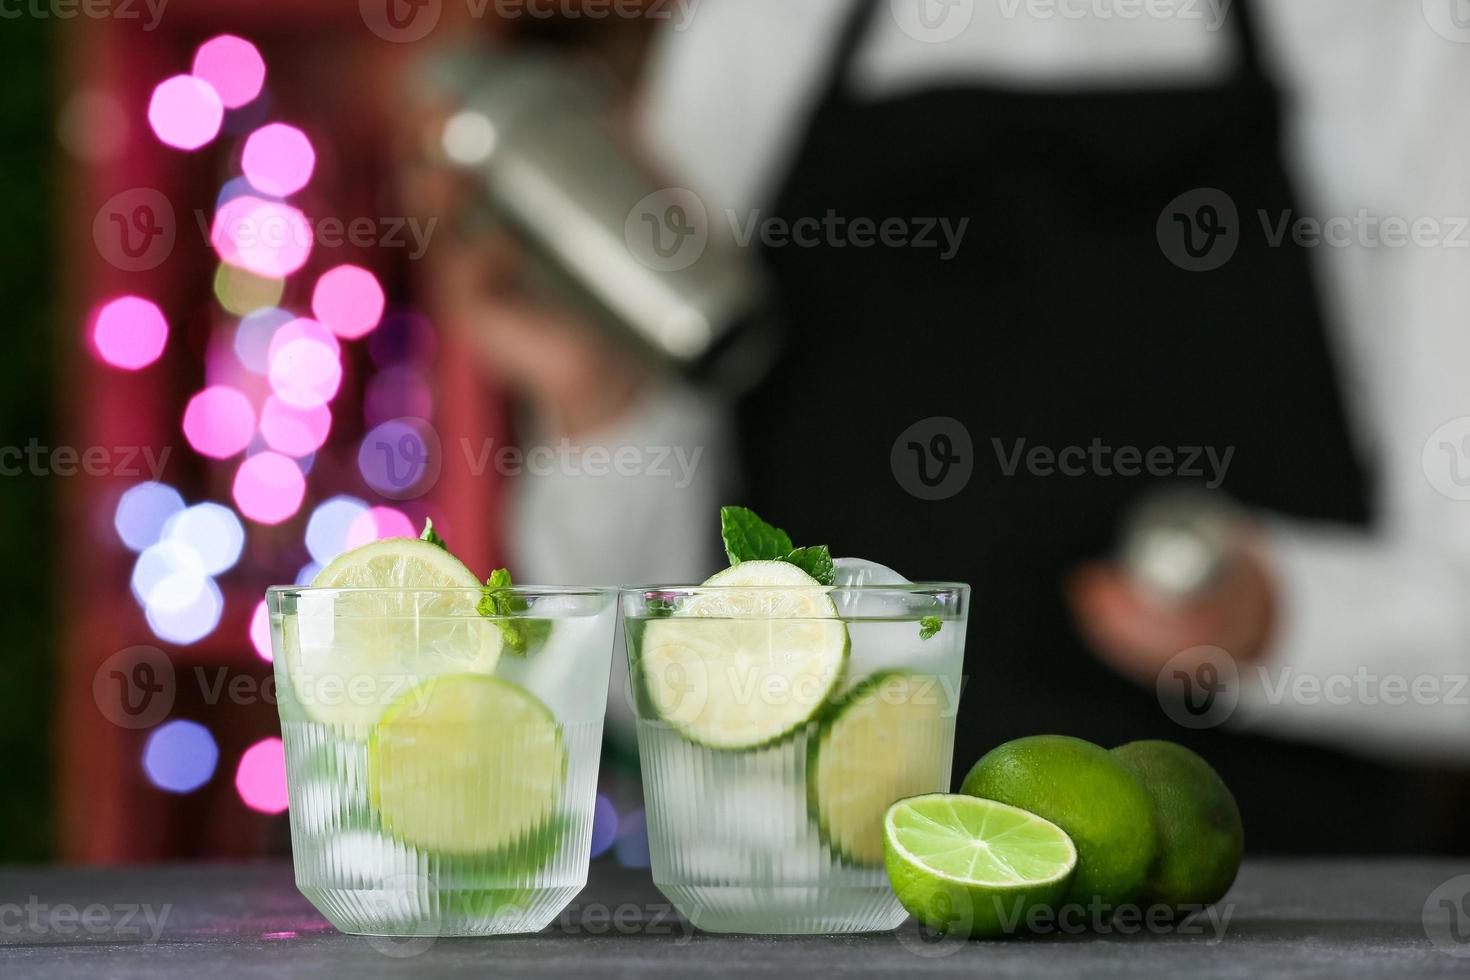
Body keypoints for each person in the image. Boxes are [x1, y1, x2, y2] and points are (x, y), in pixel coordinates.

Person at [431, 0, 1470, 852]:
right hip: (825, 912)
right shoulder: (759, 30)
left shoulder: (1389, 35)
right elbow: (632, 670)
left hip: (1278, 909)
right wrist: (600, 396)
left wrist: (1283, 620)